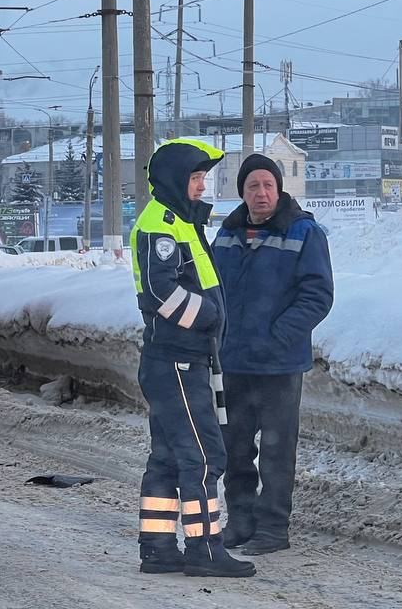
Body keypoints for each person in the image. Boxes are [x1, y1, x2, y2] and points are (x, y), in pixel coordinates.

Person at [130, 138, 255, 578]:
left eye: (204, 178)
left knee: (167, 457)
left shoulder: (180, 220)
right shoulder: (160, 224)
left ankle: (159, 547)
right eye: (197, 178)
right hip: (178, 361)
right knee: (204, 457)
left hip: (178, 360)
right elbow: (161, 291)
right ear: (175, 180)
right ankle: (204, 549)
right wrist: (210, 315)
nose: (203, 186)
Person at [212, 153, 334, 556]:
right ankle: (241, 521)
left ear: (279, 189)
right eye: (253, 186)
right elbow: (213, 291)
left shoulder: (304, 232)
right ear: (242, 193)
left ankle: (273, 529)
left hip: (280, 364)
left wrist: (278, 334)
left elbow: (318, 295)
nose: (261, 192)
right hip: (233, 362)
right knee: (236, 447)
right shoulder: (227, 234)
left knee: (277, 451)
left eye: (268, 185)